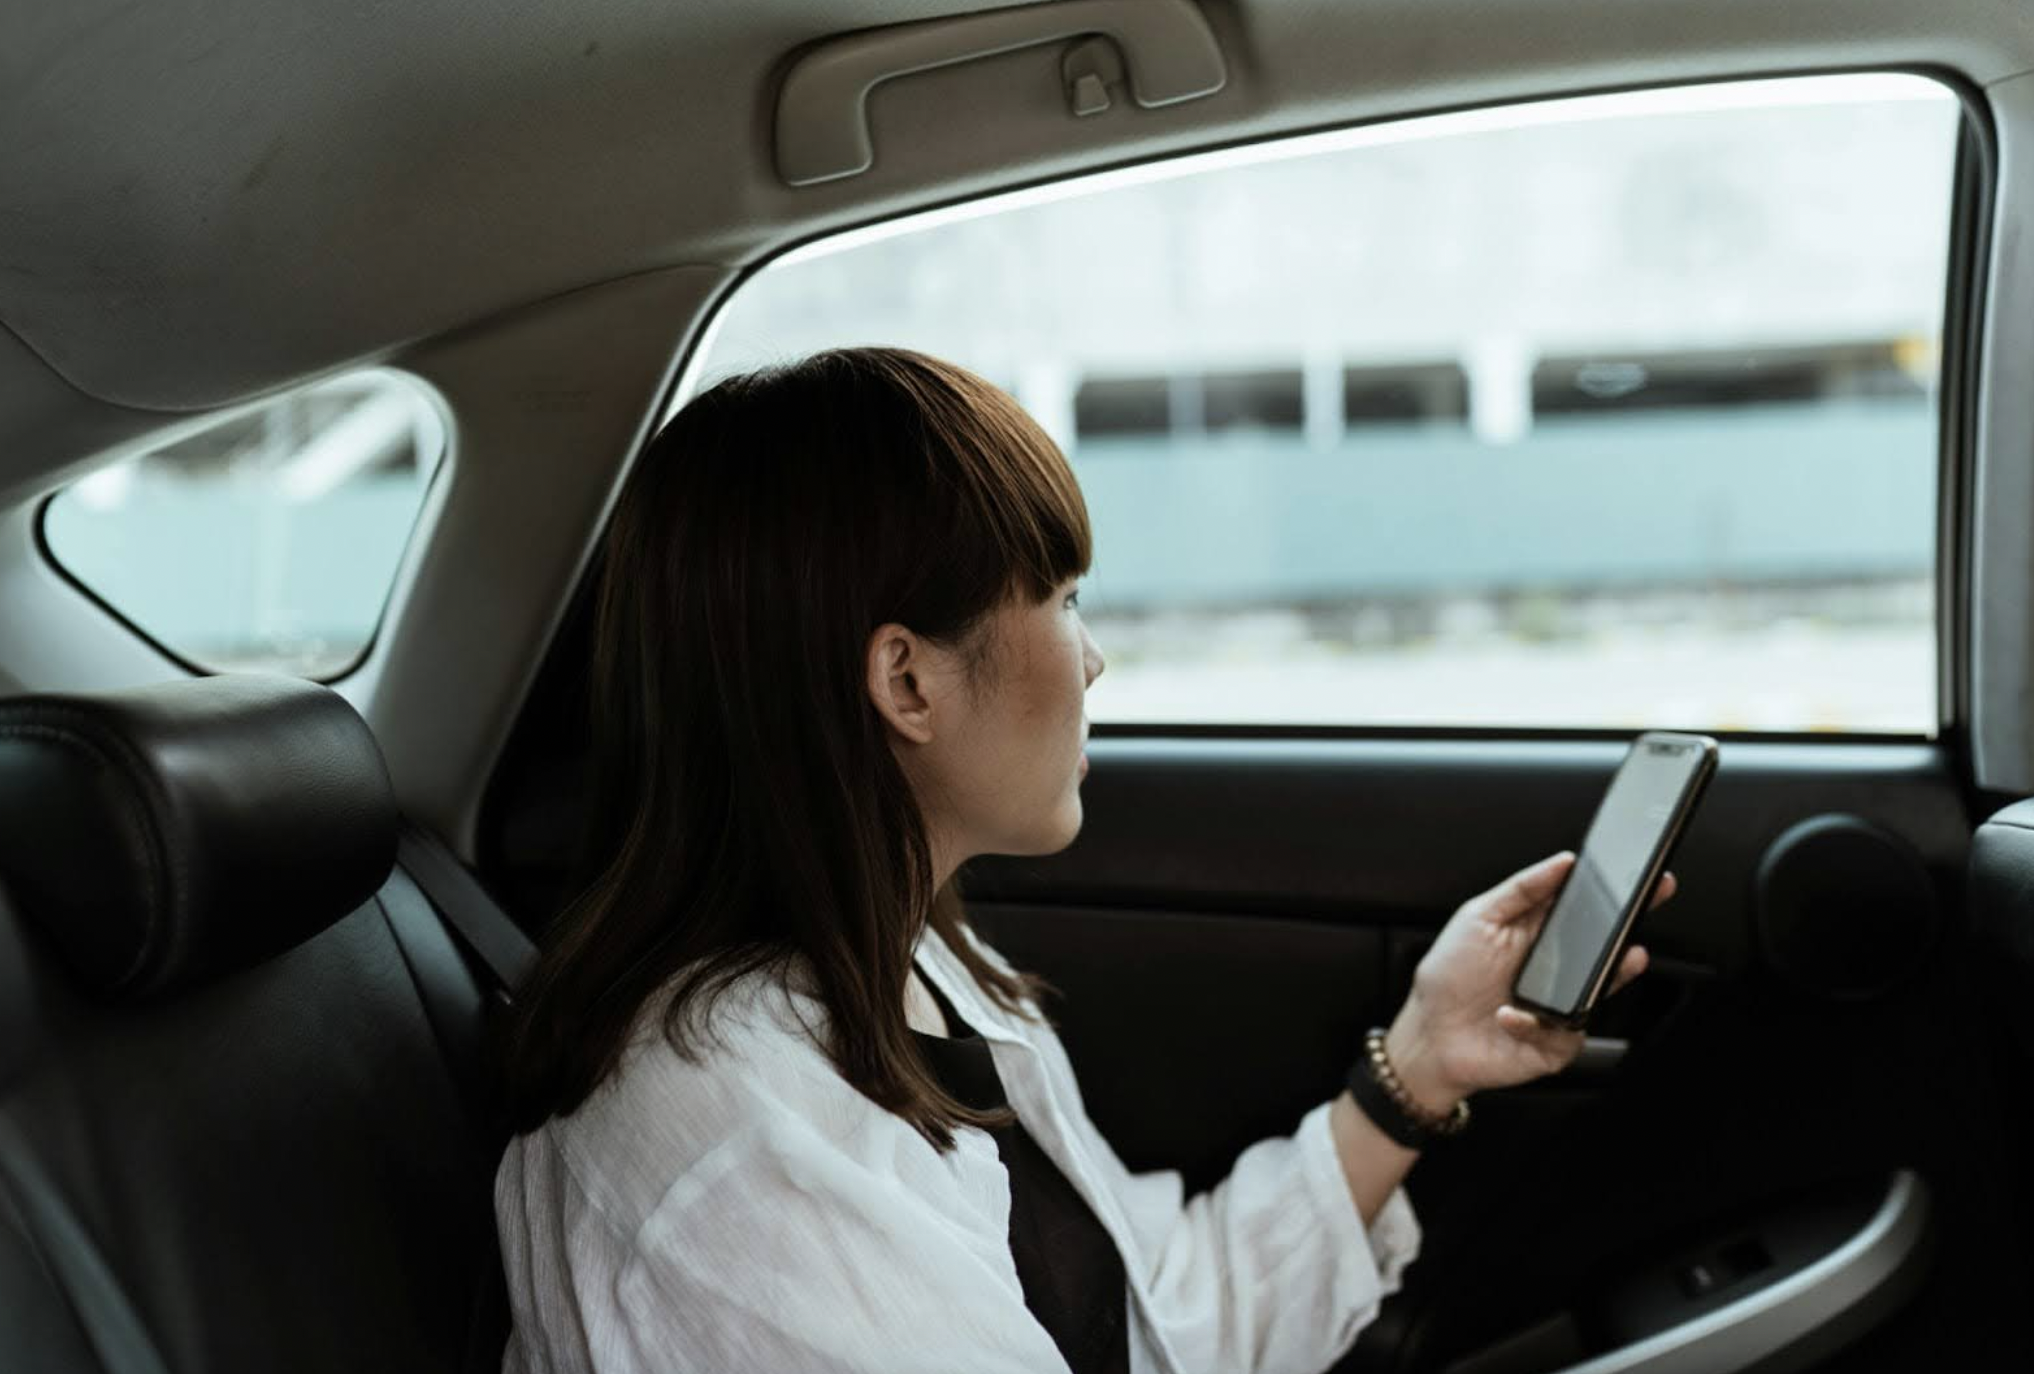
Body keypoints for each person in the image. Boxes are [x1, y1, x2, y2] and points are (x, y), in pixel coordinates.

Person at [493, 346, 1663, 1374]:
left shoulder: (912, 971)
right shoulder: (745, 1148)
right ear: (907, 681)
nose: (1092, 659)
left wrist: (1417, 1064)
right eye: (1059, 597)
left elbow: (1154, 1322)